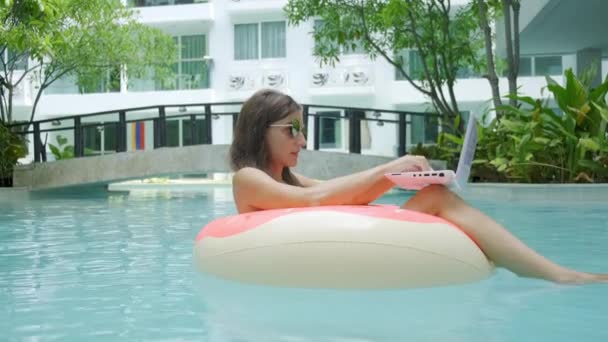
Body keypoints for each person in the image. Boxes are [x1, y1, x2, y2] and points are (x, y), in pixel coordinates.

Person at [229, 88, 608, 284]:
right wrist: (388, 169)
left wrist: (397, 176)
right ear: (260, 130)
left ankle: (543, 269)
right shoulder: (248, 179)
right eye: (292, 129)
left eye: (304, 128)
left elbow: (336, 189)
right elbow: (314, 200)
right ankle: (558, 275)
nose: (303, 140)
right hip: (330, 260)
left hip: (342, 254)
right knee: (437, 198)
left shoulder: (287, 178)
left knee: (434, 194)